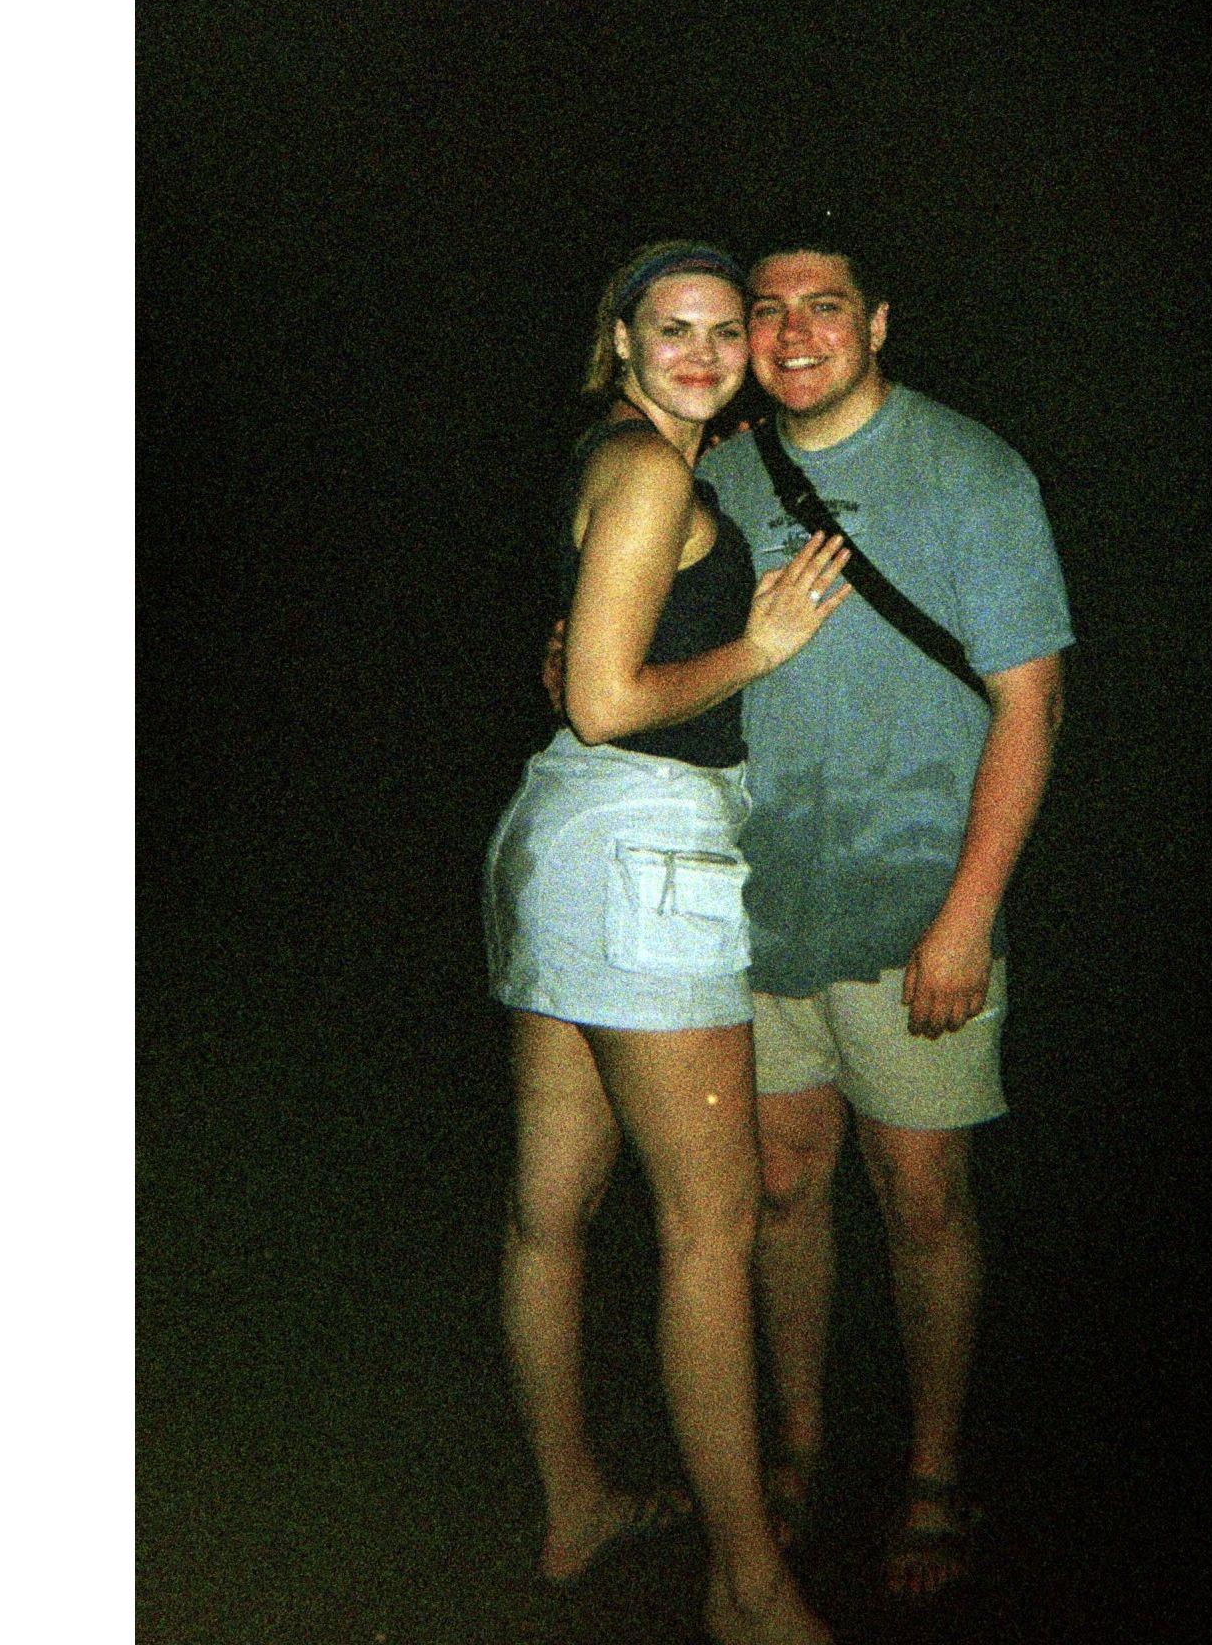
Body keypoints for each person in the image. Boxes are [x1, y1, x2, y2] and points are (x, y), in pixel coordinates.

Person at [697, 233, 1072, 1601]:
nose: (794, 333)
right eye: (768, 311)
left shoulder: (973, 472)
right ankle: (797, 1445)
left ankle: (931, 1468)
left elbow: (1031, 703)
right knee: (783, 1184)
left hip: (917, 898)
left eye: (825, 306)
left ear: (879, 321)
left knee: (921, 1198)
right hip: (755, 904)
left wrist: (968, 915)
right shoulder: (723, 473)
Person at [485, 241, 849, 1645]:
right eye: (672, 329)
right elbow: (601, 697)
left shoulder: (623, 460)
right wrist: (759, 649)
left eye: (721, 330)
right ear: (622, 342)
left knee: (550, 1211)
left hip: (565, 838)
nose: (702, 351)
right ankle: (750, 1587)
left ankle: (575, 1505)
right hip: (645, 845)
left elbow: (576, 676)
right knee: (712, 1228)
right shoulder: (648, 472)